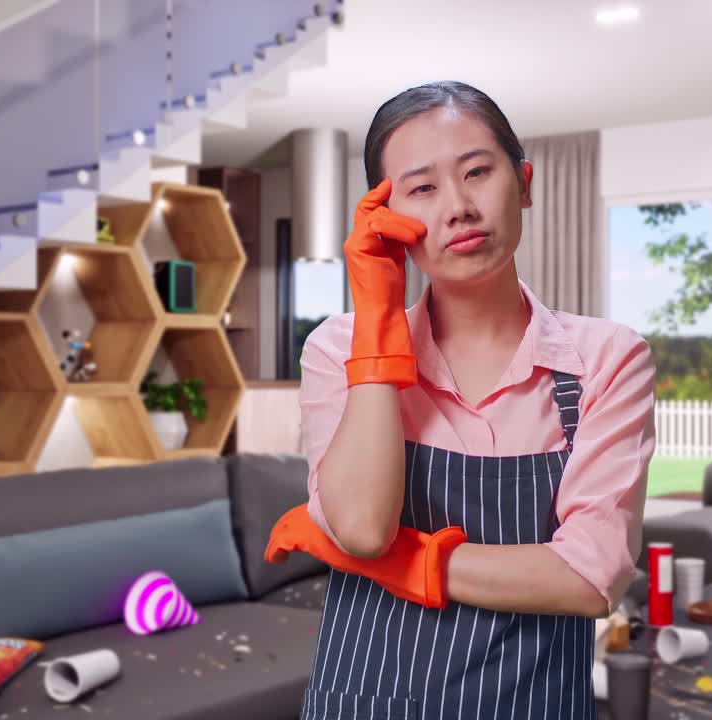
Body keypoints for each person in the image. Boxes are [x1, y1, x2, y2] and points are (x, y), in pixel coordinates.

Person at [265, 80, 656, 719]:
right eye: (421, 188)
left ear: (524, 184)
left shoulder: (606, 359)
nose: (458, 207)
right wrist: (378, 317)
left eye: (477, 172)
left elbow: (590, 578)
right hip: (365, 703)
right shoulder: (339, 349)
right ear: (384, 215)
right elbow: (363, 528)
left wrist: (406, 562)